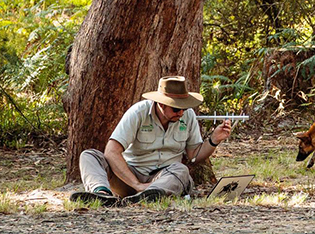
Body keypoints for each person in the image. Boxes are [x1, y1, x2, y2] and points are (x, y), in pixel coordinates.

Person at [69, 76, 232, 206]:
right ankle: (101, 194)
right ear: (161, 104)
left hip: (165, 178)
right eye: (176, 108)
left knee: (181, 170)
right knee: (89, 156)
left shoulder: (187, 116)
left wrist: (214, 140)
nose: (181, 112)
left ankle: (149, 196)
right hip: (130, 173)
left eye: (184, 107)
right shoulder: (138, 113)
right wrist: (136, 184)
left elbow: (194, 156)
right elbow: (111, 152)